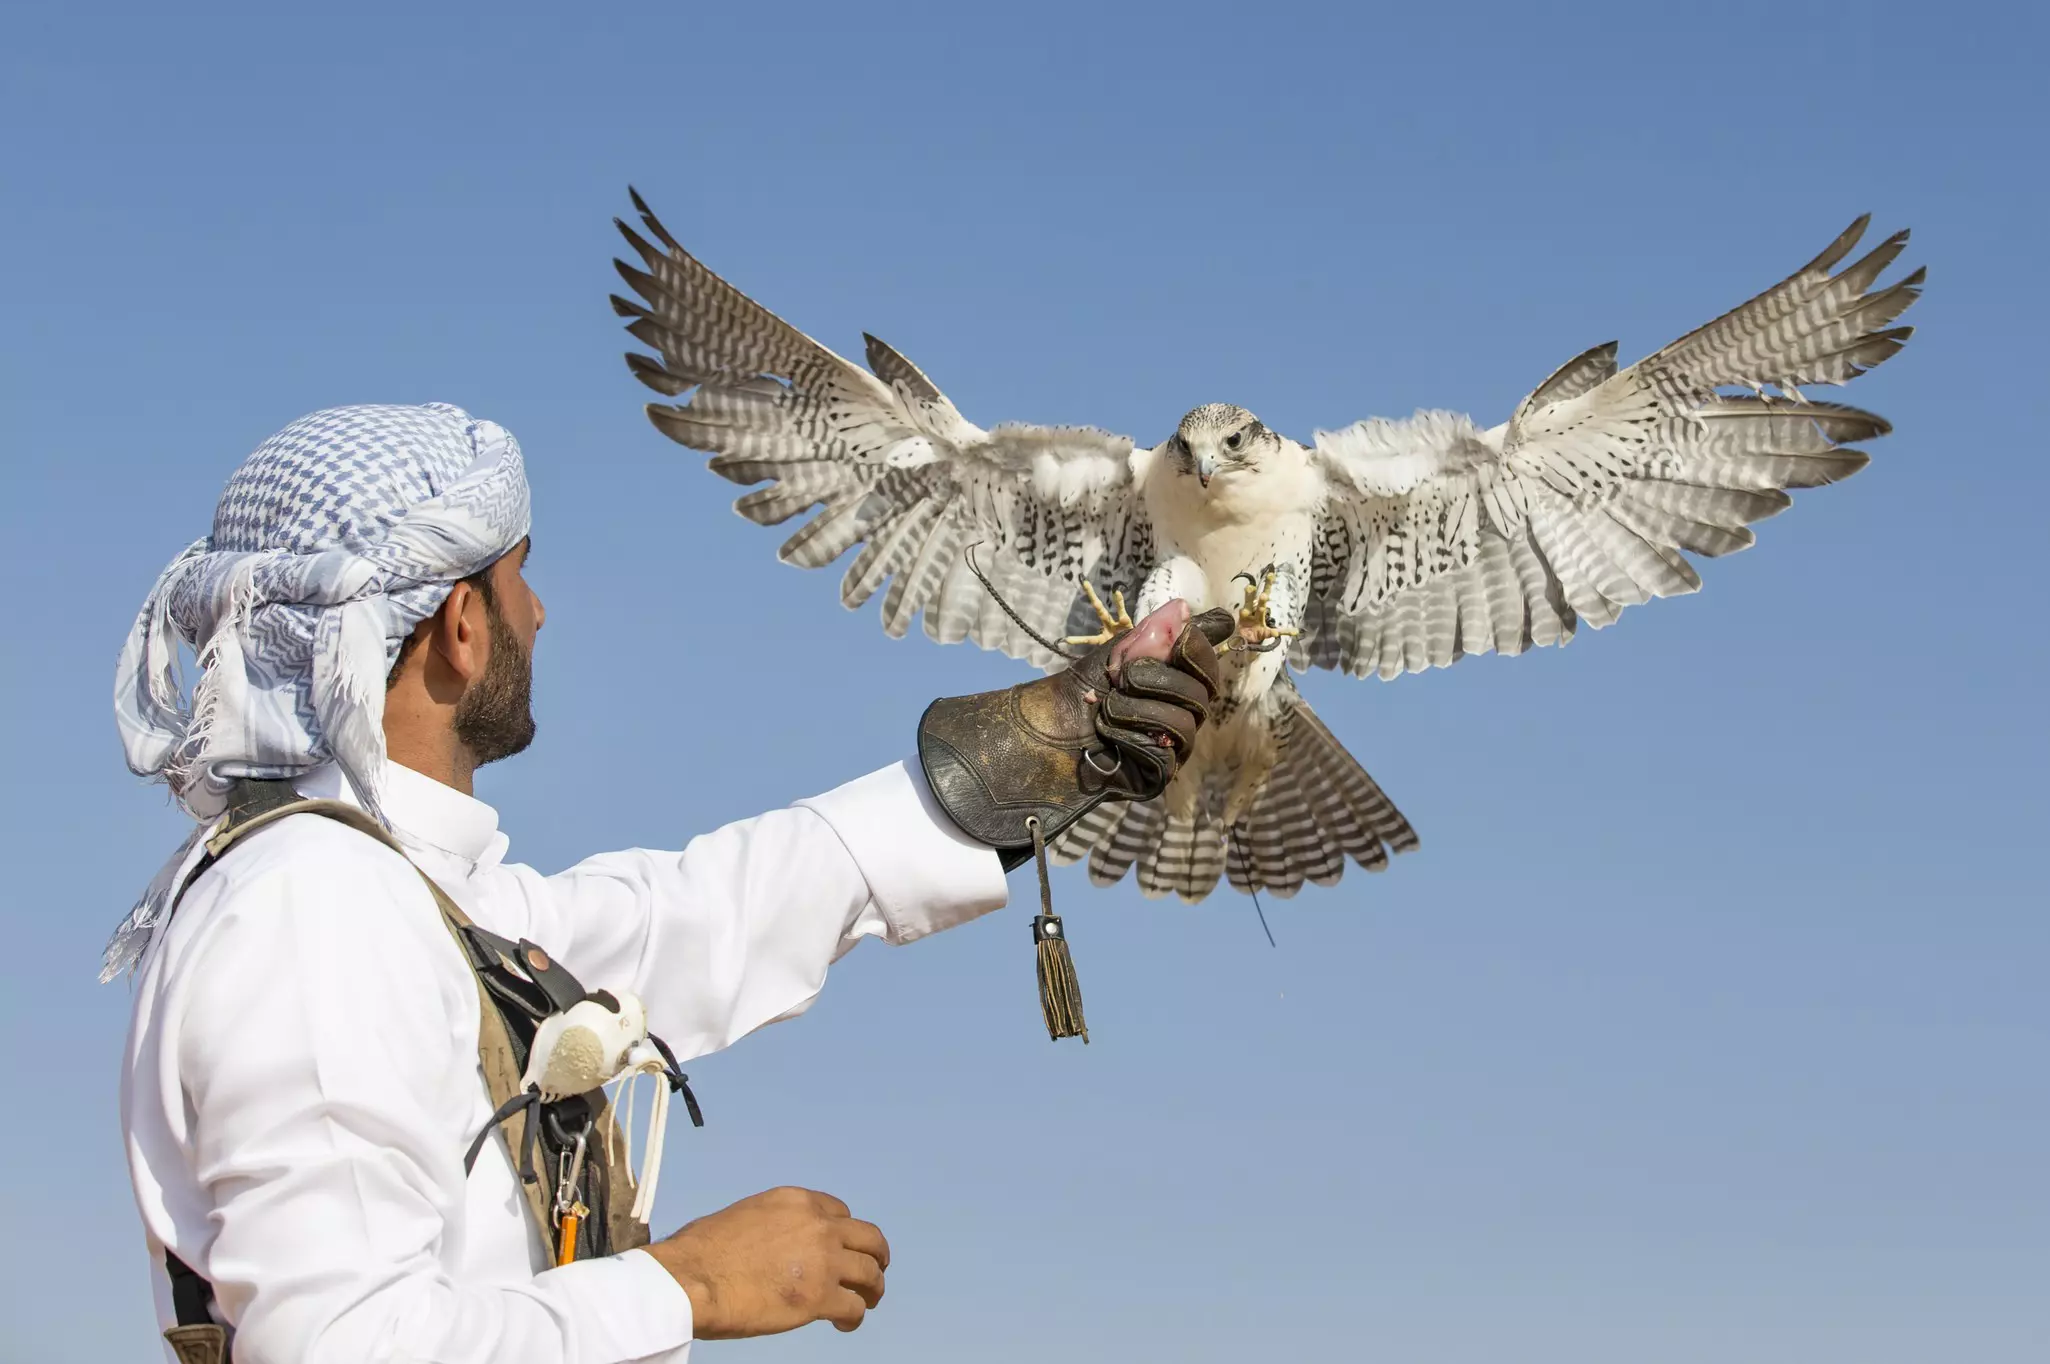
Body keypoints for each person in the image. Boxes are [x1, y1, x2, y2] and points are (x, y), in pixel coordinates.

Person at [109, 403, 1227, 1364]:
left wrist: (1059, 737)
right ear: (458, 625)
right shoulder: (309, 909)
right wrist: (686, 1283)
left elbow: (697, 915)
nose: (537, 612)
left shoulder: (408, 893)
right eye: (517, 577)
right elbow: (346, 1346)